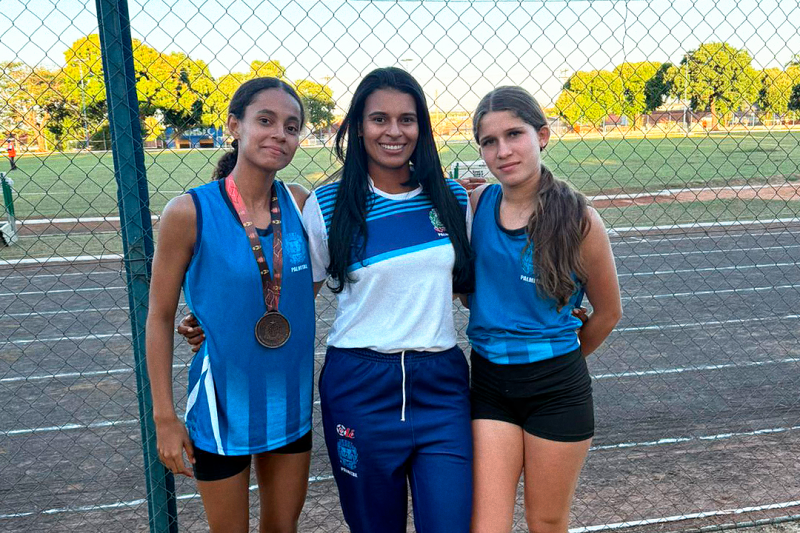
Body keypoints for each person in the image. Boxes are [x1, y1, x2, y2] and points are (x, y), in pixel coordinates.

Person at [302, 66, 475, 533]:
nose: (394, 131)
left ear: (422, 127)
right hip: (359, 386)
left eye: (407, 119)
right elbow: (295, 304)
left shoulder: (454, 198)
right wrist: (217, 322)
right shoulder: (326, 205)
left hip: (441, 384)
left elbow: (470, 292)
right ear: (359, 126)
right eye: (380, 119)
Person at [145, 77, 315, 533]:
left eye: (291, 126)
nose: (280, 134)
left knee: (282, 528)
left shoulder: (301, 203)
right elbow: (159, 317)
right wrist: (164, 417)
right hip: (222, 405)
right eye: (266, 120)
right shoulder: (188, 212)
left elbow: (306, 285)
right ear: (234, 126)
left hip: (290, 399)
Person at [466, 86, 622, 533]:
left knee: (547, 519)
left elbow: (608, 312)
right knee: (487, 524)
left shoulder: (579, 220)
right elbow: (472, 291)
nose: (502, 151)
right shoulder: (476, 205)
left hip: (556, 388)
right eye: (489, 141)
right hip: (491, 384)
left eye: (514, 134)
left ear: (542, 136)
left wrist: (558, 359)